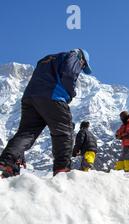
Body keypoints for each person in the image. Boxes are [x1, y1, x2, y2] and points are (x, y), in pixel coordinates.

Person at [0, 49, 92, 178]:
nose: (82, 68)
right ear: (82, 59)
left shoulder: (46, 59)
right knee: (64, 132)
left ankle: (7, 161)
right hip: (53, 96)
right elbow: (69, 75)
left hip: (30, 98)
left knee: (27, 132)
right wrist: (70, 94)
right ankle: (62, 169)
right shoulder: (74, 56)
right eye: (83, 66)